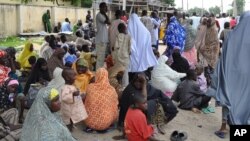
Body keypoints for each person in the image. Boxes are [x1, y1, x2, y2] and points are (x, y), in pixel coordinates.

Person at [206, 11, 250, 125]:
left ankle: (224, 126)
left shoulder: (231, 36)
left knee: (228, 96)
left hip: (231, 73)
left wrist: (221, 72)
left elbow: (224, 57)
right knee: (245, 99)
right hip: (247, 77)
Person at [113, 23, 131, 87]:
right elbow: (130, 49)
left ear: (118, 30)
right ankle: (125, 86)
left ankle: (118, 86)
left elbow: (115, 47)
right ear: (125, 28)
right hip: (126, 58)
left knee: (118, 72)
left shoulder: (118, 36)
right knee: (125, 73)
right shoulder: (129, 36)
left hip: (119, 57)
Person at [95, 2, 110, 69]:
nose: (106, 8)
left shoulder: (103, 15)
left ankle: (99, 73)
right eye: (104, 7)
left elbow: (109, 22)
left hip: (103, 40)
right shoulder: (99, 15)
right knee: (100, 59)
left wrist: (105, 14)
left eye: (106, 7)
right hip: (100, 40)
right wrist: (105, 13)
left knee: (101, 59)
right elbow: (107, 22)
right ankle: (98, 74)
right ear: (100, 8)